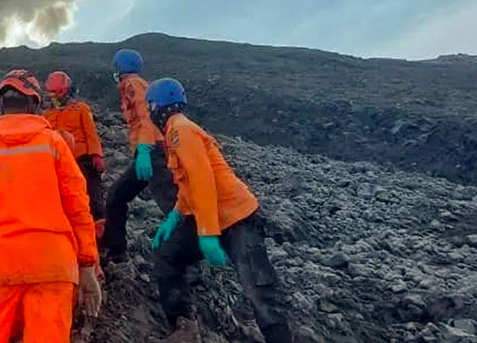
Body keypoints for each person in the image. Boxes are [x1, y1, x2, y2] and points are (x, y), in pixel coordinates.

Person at [0, 70, 102, 343]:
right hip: (53, 263)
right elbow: (78, 206)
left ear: (1, 105)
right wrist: (88, 264)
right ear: (34, 104)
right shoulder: (55, 143)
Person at [147, 78, 292, 343]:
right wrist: (176, 215)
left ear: (157, 106)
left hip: (237, 216)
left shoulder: (181, 131)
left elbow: (203, 181)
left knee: (258, 286)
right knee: (167, 254)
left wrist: (207, 233)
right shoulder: (174, 133)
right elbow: (189, 184)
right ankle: (184, 327)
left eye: (150, 106)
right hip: (208, 215)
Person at [102, 49, 178, 263]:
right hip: (147, 153)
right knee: (116, 197)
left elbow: (146, 117)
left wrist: (144, 148)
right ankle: (116, 252)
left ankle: (188, 254)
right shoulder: (133, 85)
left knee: (172, 205)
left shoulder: (133, 84)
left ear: (120, 68)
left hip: (153, 152)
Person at [41, 71, 106, 239]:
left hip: (82, 160)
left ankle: (102, 237)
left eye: (58, 92)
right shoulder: (47, 115)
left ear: (67, 90)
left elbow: (91, 133)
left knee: (93, 199)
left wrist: (96, 155)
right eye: (52, 93)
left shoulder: (81, 109)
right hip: (59, 163)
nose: (54, 96)